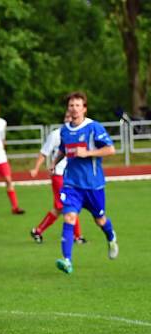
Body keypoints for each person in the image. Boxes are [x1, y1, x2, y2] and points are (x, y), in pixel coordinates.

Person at [52, 91, 118, 274]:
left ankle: (111, 236)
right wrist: (54, 163)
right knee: (69, 217)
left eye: (77, 105)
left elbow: (110, 149)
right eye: (71, 105)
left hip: (93, 185)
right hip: (72, 184)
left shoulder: (94, 127)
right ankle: (67, 261)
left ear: (84, 108)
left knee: (100, 220)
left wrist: (88, 153)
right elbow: (63, 150)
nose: (74, 109)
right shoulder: (65, 130)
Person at [29, 112, 85, 244]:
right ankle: (77, 236)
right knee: (67, 205)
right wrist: (36, 168)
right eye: (68, 117)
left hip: (72, 176)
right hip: (59, 175)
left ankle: (38, 231)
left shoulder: (79, 133)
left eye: (72, 117)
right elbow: (44, 152)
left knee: (62, 206)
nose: (70, 119)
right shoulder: (56, 134)